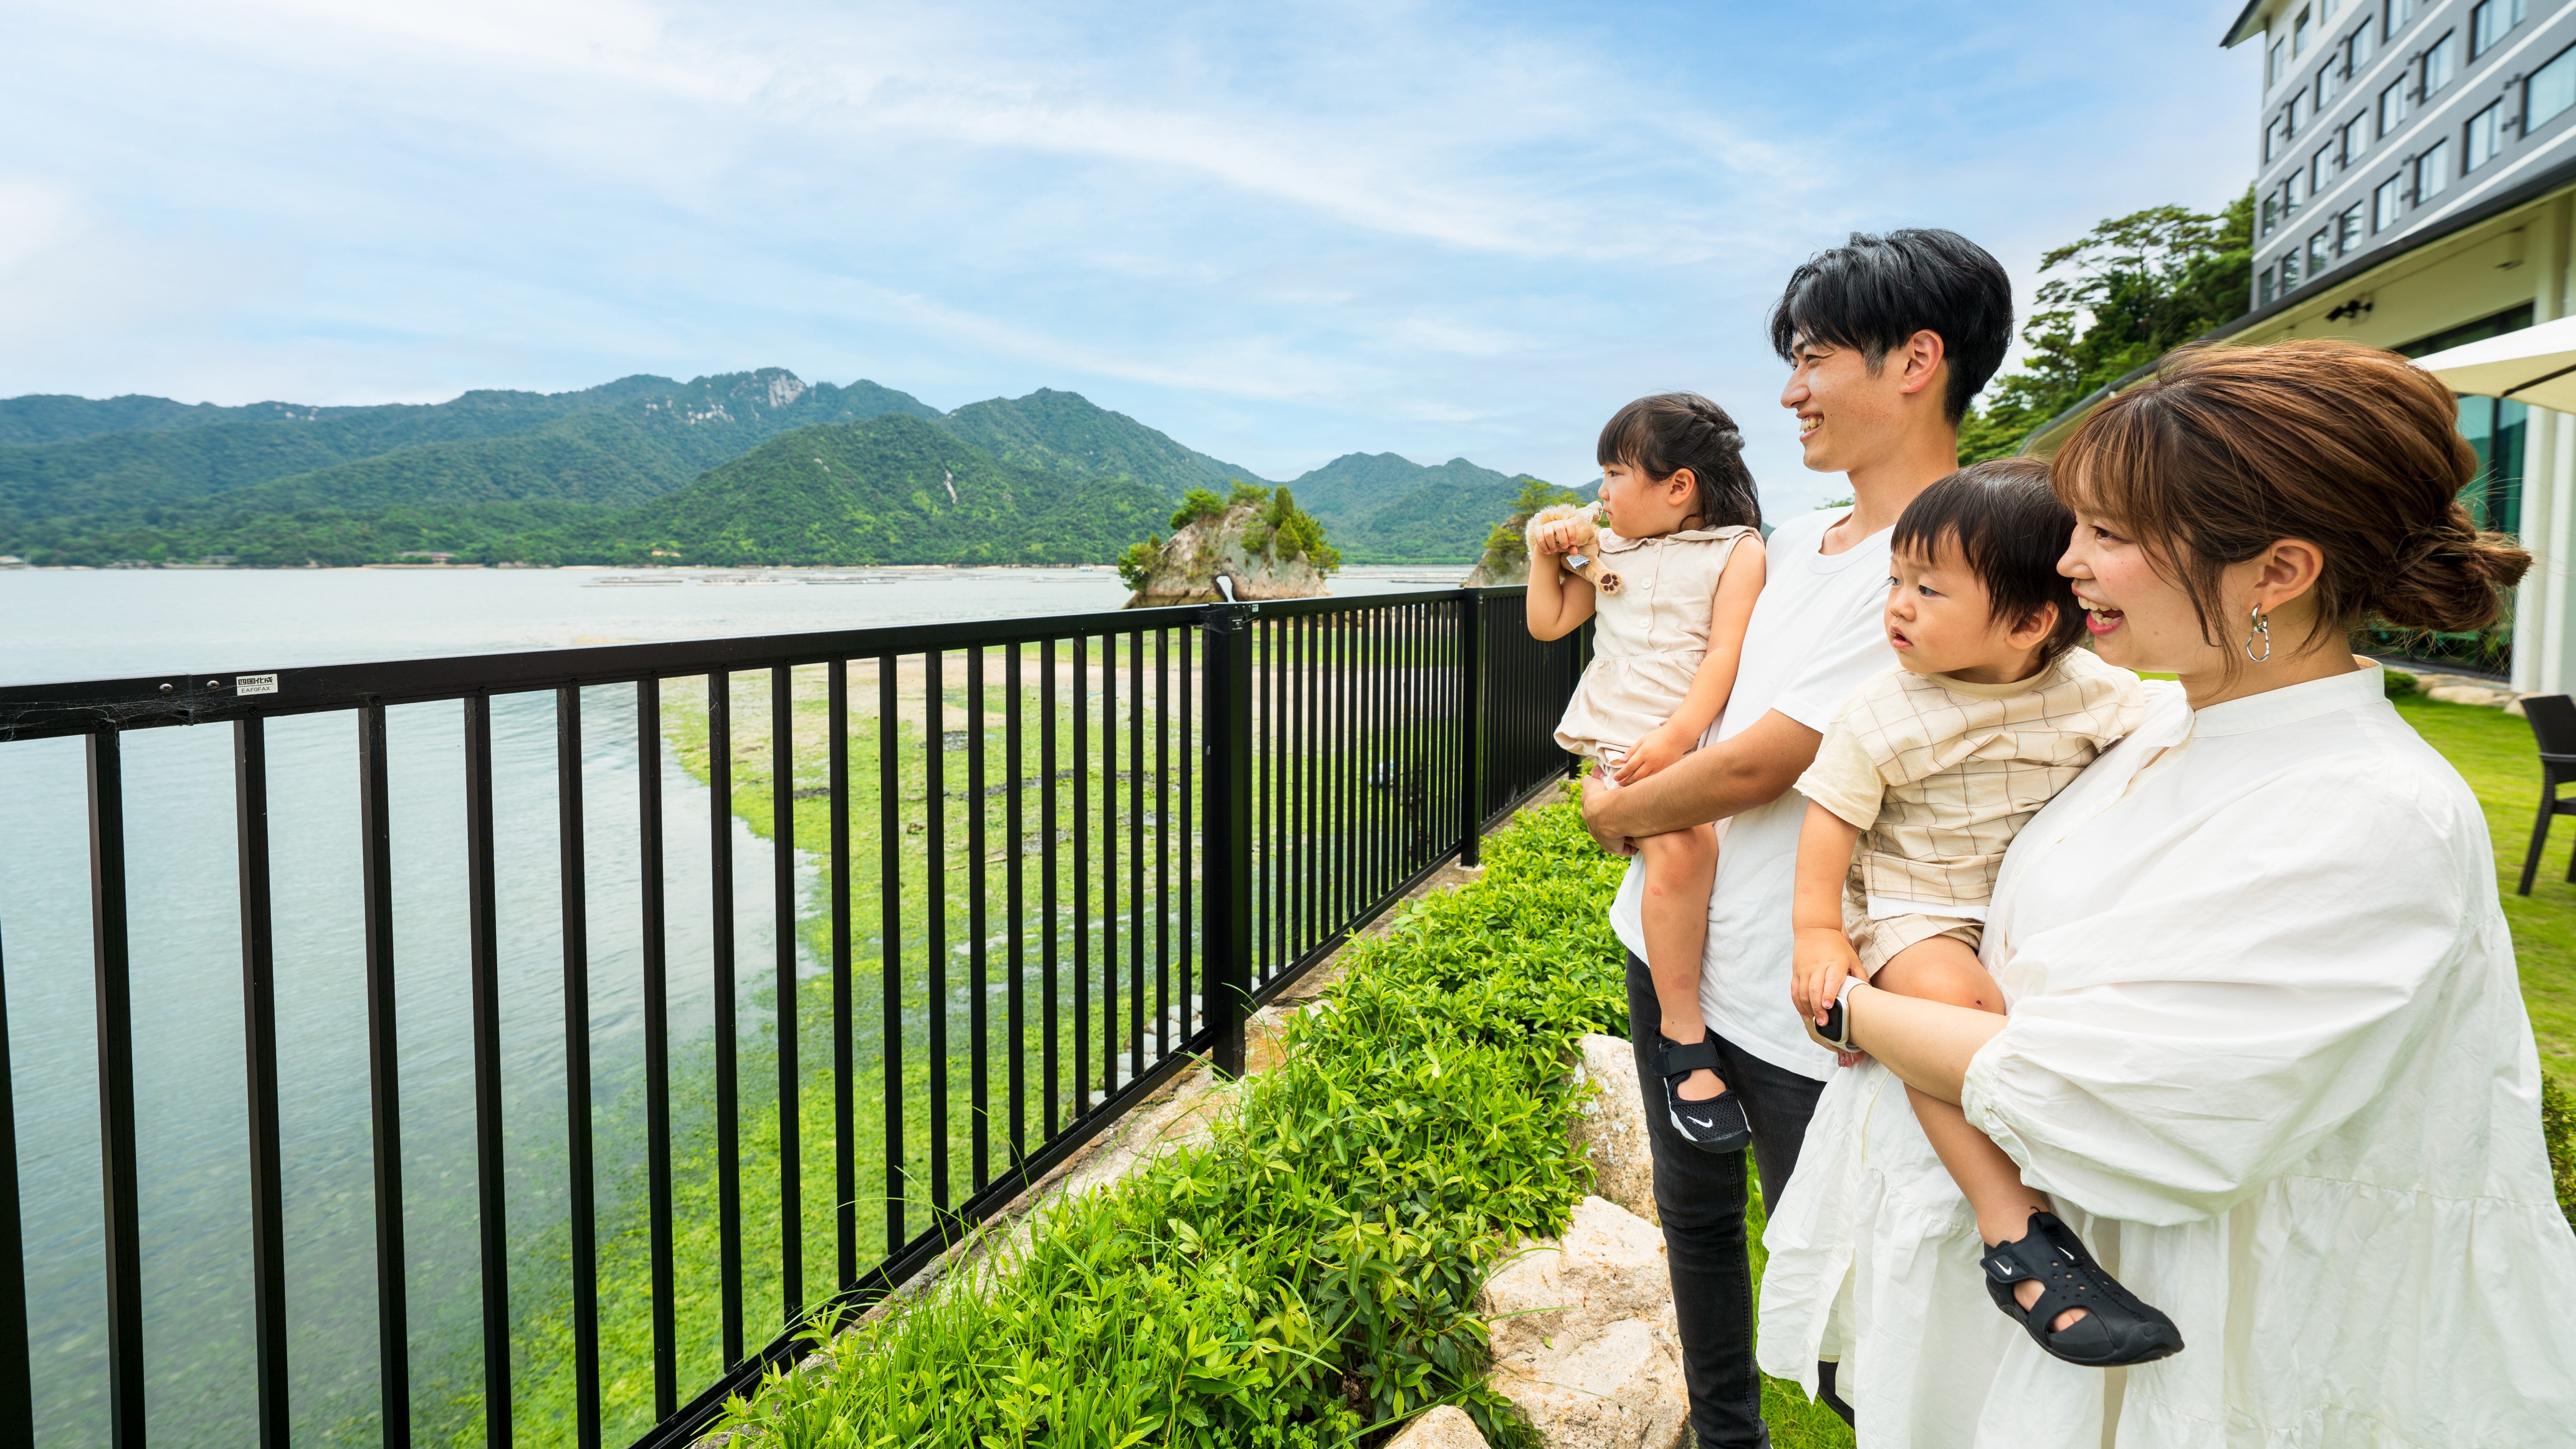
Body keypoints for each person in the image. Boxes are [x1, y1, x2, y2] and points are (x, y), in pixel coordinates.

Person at [1757, 339, 2576, 1447]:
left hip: (2203, 1343)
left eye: (2110, 534)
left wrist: (1849, 1009)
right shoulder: (2167, 728)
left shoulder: (2366, 811)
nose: (2069, 564)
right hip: (2063, 1317)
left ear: (2274, 574)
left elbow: (2137, 1105)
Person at [1579, 229, 2013, 1445]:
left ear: (1917, 360)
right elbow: (1715, 701)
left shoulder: (1942, 554)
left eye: (1814, 357)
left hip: (1806, 991)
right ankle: (1727, 1436)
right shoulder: (1812, 548)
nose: (1790, 390)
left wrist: (1620, 805)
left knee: (1852, 1291)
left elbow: (1782, 751)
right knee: (1699, 1225)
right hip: (1677, 949)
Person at [1784, 458, 2177, 1368]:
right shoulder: (1880, 712)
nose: (1897, 606)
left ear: (2032, 620)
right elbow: (1828, 829)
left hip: (2025, 911)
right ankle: (2018, 1238)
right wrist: (1818, 934)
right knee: (1956, 1018)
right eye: (1894, 580)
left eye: (1928, 587)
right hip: (1918, 914)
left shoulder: (2095, 693)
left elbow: (2176, 728)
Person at [1525, 394, 1767, 1150]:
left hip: (1685, 736)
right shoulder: (1608, 550)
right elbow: (1548, 622)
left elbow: (1724, 653)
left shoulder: (1739, 551)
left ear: (1679, 486)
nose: (1601, 491)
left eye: (1614, 472)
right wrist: (1545, 553)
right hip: (1620, 742)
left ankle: (1687, 1031)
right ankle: (1685, 1039)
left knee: (1689, 847)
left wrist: (1680, 734)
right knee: (1682, 845)